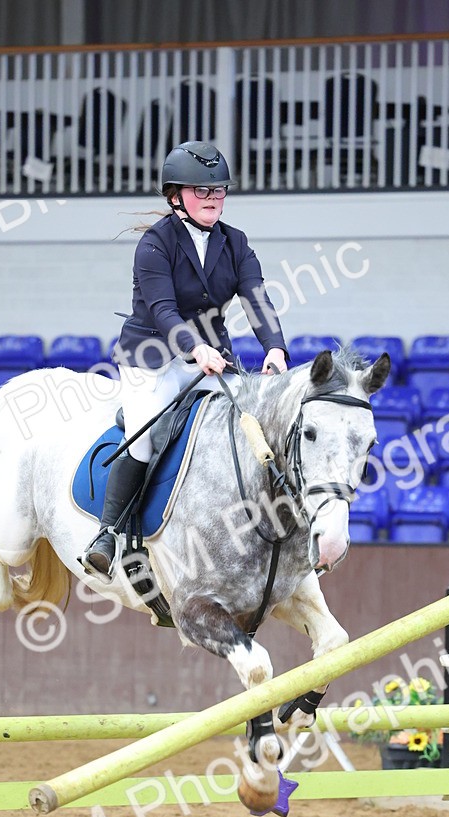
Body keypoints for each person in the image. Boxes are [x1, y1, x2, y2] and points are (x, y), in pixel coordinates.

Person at [80, 140, 289, 579]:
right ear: (175, 195)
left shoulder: (235, 242)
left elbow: (256, 299)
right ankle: (109, 533)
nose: (213, 198)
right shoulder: (155, 245)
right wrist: (196, 347)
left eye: (219, 191)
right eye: (202, 191)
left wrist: (274, 346)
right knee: (146, 437)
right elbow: (163, 310)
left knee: (243, 426)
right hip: (152, 359)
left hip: (210, 360)